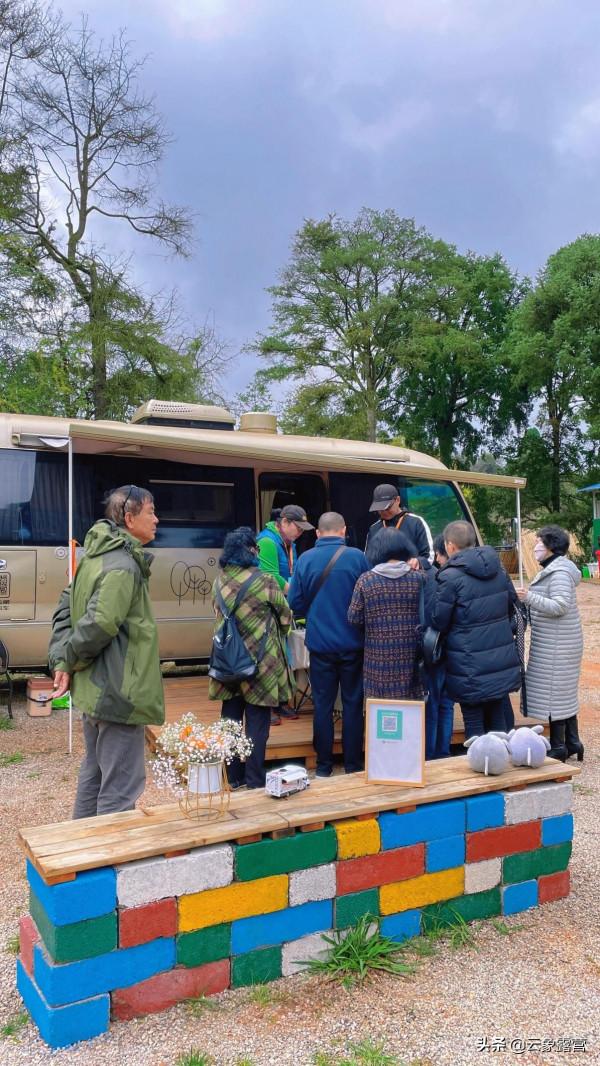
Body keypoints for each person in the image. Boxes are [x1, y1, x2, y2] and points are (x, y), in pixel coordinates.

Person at [49, 485, 164, 819]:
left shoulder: (94, 556)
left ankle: (81, 853)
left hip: (96, 689)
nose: (157, 519)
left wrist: (64, 660)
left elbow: (64, 608)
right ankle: (106, 862)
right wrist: (67, 660)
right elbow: (99, 625)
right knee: (120, 787)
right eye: (150, 512)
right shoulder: (123, 566)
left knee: (95, 773)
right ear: (129, 518)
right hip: (118, 693)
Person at [209, 527, 292, 788]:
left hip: (227, 660)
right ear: (251, 551)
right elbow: (286, 617)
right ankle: (255, 779)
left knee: (231, 719)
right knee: (257, 722)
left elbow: (217, 614)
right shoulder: (265, 580)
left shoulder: (218, 581)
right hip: (261, 663)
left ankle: (233, 778)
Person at [288, 511, 369, 777]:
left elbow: (295, 604)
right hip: (353, 643)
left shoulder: (305, 559)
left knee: (322, 705)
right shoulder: (357, 557)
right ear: (343, 530)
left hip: (320, 644)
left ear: (318, 533)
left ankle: (323, 766)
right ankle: (353, 764)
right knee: (353, 704)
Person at [430, 520, 521, 740]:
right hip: (500, 657)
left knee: (474, 723)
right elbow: (513, 605)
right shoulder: (499, 568)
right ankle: (504, 769)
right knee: (499, 720)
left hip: (467, 661)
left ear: (450, 545)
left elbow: (439, 621)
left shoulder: (449, 577)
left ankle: (480, 767)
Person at [517, 525, 584, 762]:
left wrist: (529, 597)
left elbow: (560, 606)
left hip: (559, 645)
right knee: (562, 693)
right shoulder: (553, 569)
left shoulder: (559, 573)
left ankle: (559, 747)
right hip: (555, 641)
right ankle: (573, 742)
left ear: (551, 547)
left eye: (539, 542)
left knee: (554, 694)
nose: (535, 546)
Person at [348, 527, 423, 700]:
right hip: (411, 654)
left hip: (377, 656)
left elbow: (353, 617)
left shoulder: (366, 580)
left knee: (380, 709)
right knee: (410, 707)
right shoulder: (419, 578)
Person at [257, 503, 313, 724]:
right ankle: (268, 707)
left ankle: (281, 702)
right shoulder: (267, 542)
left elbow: (295, 570)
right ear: (285, 522)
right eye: (297, 527)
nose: (300, 532)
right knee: (268, 659)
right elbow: (269, 575)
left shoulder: (289, 542)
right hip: (267, 609)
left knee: (283, 657)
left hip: (282, 608)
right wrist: (294, 591)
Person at [423, 534, 455, 759]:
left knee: (432, 704)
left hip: (433, 649)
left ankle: (431, 754)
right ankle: (443, 751)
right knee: (447, 703)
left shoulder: (432, 578)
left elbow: (433, 617)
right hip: (454, 648)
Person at [365, 484, 433, 570]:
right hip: (382, 580)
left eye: (387, 508)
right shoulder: (374, 528)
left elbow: (429, 556)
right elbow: (367, 558)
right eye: (380, 509)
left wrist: (418, 561)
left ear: (398, 500)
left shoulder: (416, 522)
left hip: (411, 578)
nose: (383, 512)